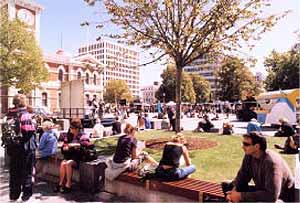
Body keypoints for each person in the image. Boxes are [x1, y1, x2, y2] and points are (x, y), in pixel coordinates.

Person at [222, 131, 295, 202]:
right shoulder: (249, 155)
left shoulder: (271, 162)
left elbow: (271, 196)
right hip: (262, 191)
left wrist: (240, 196)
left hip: (282, 197)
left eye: (246, 144)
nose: (242, 147)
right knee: (227, 185)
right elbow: (242, 177)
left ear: (257, 146)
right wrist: (233, 192)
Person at [6, 94, 37, 201]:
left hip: (13, 148)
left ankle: (13, 196)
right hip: (26, 148)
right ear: (24, 102)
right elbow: (30, 131)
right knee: (27, 172)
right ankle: (26, 196)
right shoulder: (27, 115)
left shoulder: (9, 115)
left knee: (14, 173)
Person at [54, 119, 85, 193]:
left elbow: (86, 144)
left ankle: (68, 185)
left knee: (68, 163)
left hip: (79, 157)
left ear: (77, 129)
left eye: (72, 128)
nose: (70, 129)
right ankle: (61, 184)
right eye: (70, 128)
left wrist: (76, 144)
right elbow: (64, 145)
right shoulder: (69, 135)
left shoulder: (82, 135)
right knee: (63, 163)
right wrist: (64, 148)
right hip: (70, 156)